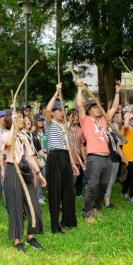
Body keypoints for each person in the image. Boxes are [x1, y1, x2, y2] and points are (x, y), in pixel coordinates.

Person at [75, 77, 120, 223]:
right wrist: (80, 87)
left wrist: (118, 92)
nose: (97, 108)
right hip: (94, 157)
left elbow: (113, 108)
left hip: (107, 157)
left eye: (98, 106)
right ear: (89, 110)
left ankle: (96, 208)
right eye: (94, 107)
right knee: (92, 186)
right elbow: (80, 104)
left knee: (103, 185)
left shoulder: (103, 120)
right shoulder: (85, 119)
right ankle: (86, 212)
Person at [2, 110, 46, 251]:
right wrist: (14, 126)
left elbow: (30, 156)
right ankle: (17, 240)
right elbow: (8, 143)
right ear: (11, 119)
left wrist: (39, 173)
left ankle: (31, 236)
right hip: (13, 171)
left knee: (33, 204)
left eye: (22, 116)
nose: (22, 119)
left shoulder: (24, 137)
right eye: (19, 117)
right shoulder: (5, 134)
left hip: (25, 171)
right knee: (15, 206)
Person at [45, 83, 79, 234]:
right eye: (58, 110)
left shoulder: (64, 126)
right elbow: (47, 109)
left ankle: (68, 220)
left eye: (62, 110)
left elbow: (67, 145)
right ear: (53, 113)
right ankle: (55, 226)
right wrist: (56, 93)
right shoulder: (49, 123)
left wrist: (72, 163)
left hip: (65, 156)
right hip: (54, 157)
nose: (61, 113)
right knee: (55, 191)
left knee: (69, 191)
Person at [103, 112, 128, 208]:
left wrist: (123, 157)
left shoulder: (112, 133)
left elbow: (117, 146)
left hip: (115, 159)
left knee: (112, 181)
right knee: (108, 181)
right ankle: (107, 202)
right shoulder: (102, 132)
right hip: (107, 159)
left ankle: (106, 199)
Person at [121, 111, 133, 202]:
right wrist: (127, 116)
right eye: (131, 119)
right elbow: (125, 126)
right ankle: (131, 195)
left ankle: (123, 192)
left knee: (129, 177)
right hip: (128, 157)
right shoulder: (125, 129)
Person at [67, 109, 86, 198]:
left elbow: (81, 145)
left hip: (77, 159)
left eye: (77, 116)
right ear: (68, 117)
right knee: (67, 179)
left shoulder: (80, 130)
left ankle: (70, 196)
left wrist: (84, 159)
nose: (76, 118)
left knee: (75, 178)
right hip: (67, 158)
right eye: (73, 116)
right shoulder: (65, 128)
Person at [32, 113, 48, 204]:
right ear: (35, 121)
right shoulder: (33, 133)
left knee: (44, 176)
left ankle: (40, 194)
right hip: (36, 158)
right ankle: (38, 196)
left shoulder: (45, 132)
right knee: (37, 178)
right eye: (39, 121)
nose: (41, 122)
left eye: (42, 121)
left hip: (45, 157)